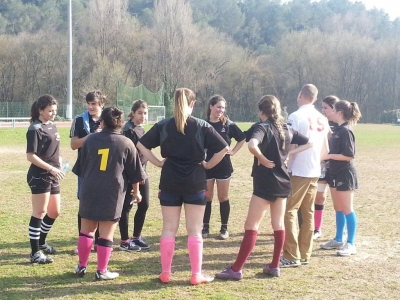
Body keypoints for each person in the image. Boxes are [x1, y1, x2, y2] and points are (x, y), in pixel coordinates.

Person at [137, 88, 229, 285]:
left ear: (174, 103)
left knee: (169, 229)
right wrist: (208, 165)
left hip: (169, 178)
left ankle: (166, 273)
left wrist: (158, 162)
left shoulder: (163, 125)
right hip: (195, 180)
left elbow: (141, 145)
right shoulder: (202, 125)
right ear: (193, 104)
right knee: (194, 230)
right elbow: (224, 148)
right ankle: (196, 274)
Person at [215, 95, 311, 279]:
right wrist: (289, 153)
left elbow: (251, 143)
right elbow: (309, 142)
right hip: (283, 182)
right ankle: (274, 266)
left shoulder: (262, 127)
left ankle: (236, 269)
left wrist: (261, 157)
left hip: (266, 182)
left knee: (251, 225)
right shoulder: (285, 128)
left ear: (261, 111)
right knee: (278, 225)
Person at [73, 107, 146, 280]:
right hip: (112, 192)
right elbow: (135, 173)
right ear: (121, 123)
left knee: (86, 231)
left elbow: (81, 168)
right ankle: (101, 270)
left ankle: (81, 266)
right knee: (106, 234)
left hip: (89, 189)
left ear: (102, 122)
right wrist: (136, 193)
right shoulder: (126, 143)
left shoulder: (90, 140)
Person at [281, 84, 329, 267]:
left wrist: (287, 158)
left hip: (299, 169)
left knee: (289, 210)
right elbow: (326, 149)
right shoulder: (322, 118)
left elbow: (290, 143)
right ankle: (305, 253)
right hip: (315, 169)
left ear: (300, 95)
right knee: (308, 212)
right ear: (315, 99)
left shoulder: (295, 116)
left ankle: (291, 255)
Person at [26, 94, 65, 264]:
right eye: (50, 111)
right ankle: (35, 252)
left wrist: (60, 162)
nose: (53, 113)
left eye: (55, 111)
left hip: (53, 174)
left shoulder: (52, 125)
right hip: (39, 175)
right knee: (39, 212)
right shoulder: (35, 129)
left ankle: (41, 242)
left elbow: (53, 149)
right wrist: (50, 168)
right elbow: (30, 156)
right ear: (40, 110)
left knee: (54, 211)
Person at [320, 100, 361, 256]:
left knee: (347, 208)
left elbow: (349, 155)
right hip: (334, 174)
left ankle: (350, 243)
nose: (330, 112)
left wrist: (329, 156)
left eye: (333, 110)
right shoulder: (337, 130)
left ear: (340, 112)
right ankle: (338, 239)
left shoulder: (346, 131)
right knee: (338, 208)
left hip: (345, 174)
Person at [202, 95, 246, 240]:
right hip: (207, 166)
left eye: (223, 107)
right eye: (218, 107)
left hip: (224, 166)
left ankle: (224, 228)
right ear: (211, 106)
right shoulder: (203, 124)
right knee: (207, 197)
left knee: (223, 197)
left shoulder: (228, 124)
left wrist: (233, 151)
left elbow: (242, 138)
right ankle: (205, 227)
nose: (221, 110)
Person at [70, 91, 105, 255]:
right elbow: (74, 144)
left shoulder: (108, 119)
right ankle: (83, 242)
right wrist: (91, 137)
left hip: (105, 169)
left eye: (94, 104)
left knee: (101, 204)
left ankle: (99, 241)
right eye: (89, 103)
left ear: (101, 104)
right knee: (84, 204)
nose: (91, 107)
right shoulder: (79, 120)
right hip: (85, 168)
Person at [119, 100, 151, 251]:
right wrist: (136, 176)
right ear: (132, 113)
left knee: (144, 204)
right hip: (130, 175)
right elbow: (130, 157)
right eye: (140, 113)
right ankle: (124, 241)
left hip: (142, 172)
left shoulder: (141, 129)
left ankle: (136, 237)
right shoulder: (128, 130)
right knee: (126, 207)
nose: (142, 116)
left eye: (145, 113)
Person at [313, 95, 340, 240]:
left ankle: (341, 232)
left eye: (325, 108)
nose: (322, 110)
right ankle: (317, 229)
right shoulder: (320, 122)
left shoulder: (341, 124)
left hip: (336, 168)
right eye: (322, 107)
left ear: (334, 109)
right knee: (319, 196)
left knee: (340, 203)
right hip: (322, 165)